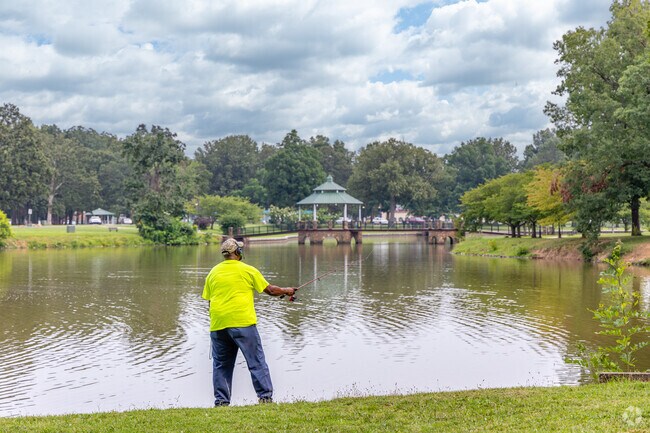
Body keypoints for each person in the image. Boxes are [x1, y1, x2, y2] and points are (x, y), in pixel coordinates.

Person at [202, 238, 296, 406]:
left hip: (218, 325)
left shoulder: (213, 273)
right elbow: (270, 290)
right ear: (238, 252)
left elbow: (209, 301)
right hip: (243, 324)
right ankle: (265, 398)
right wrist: (287, 290)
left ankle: (221, 402)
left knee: (221, 365)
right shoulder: (248, 270)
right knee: (256, 361)